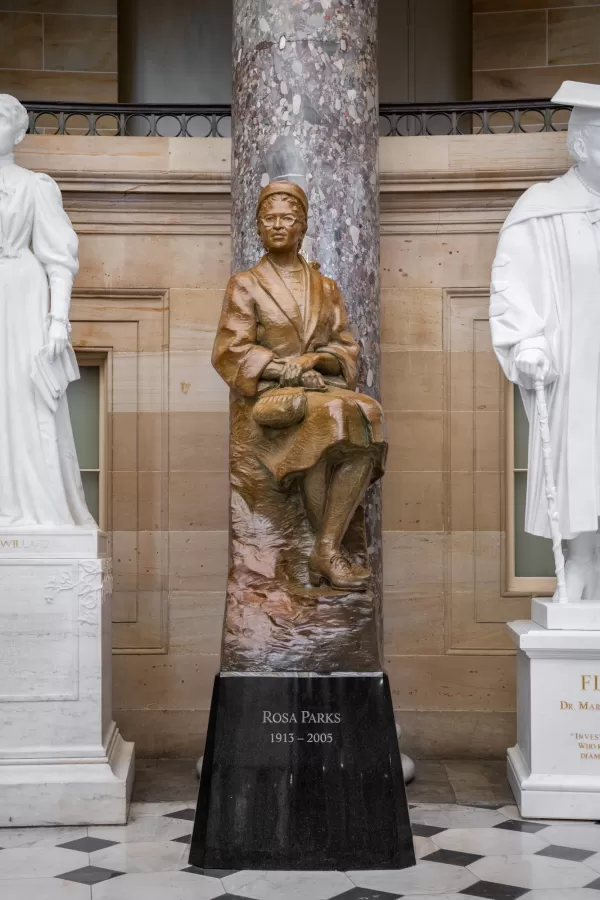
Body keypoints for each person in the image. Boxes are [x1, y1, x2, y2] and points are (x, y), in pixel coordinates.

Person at [212, 180, 386, 591]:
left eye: (286, 219)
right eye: (268, 219)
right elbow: (229, 350)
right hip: (271, 397)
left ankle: (325, 547)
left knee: (369, 413)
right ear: (257, 227)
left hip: (319, 387)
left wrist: (314, 360)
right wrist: (283, 369)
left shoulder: (326, 288)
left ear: (302, 226)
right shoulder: (246, 284)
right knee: (332, 417)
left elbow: (346, 348)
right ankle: (326, 553)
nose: (277, 225)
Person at [490, 80, 600, 601]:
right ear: (579, 145)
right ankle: (579, 564)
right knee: (580, 459)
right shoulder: (542, 207)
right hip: (578, 363)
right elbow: (515, 284)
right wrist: (528, 342)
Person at [0, 94, 94, 527]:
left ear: (18, 133)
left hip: (20, 296)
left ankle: (35, 509)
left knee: (25, 395)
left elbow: (60, 259)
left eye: (2, 120)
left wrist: (59, 321)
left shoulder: (35, 187)